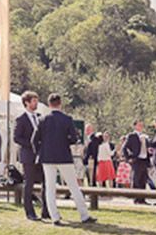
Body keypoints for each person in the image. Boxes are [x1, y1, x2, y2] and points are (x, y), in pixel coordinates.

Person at [36, 93, 94, 225]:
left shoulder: (42, 119)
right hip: (63, 156)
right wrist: (64, 141)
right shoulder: (67, 119)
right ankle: (84, 215)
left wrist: (42, 149)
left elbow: (35, 139)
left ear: (49, 104)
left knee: (50, 188)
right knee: (73, 186)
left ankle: (55, 217)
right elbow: (74, 139)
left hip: (47, 156)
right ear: (60, 103)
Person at [12, 92, 43, 220]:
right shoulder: (21, 119)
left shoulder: (40, 117)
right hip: (28, 155)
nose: (36, 103)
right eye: (34, 101)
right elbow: (16, 138)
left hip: (41, 155)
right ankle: (29, 211)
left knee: (45, 182)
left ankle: (46, 210)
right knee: (28, 183)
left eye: (37, 101)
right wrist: (31, 144)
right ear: (27, 103)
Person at [121, 120, 150, 205]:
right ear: (135, 126)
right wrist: (128, 158)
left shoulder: (144, 136)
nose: (141, 126)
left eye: (142, 125)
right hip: (136, 160)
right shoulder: (132, 136)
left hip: (144, 160)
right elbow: (124, 148)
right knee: (136, 179)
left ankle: (142, 199)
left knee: (143, 180)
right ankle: (136, 198)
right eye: (139, 125)